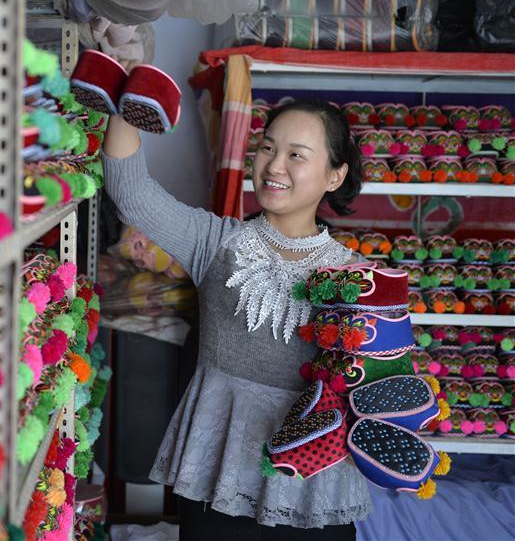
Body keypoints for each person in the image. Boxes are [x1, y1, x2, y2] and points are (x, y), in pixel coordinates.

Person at [103, 98, 370, 540]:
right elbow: (132, 193)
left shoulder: (356, 277)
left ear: (334, 175)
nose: (274, 165)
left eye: (296, 155)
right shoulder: (217, 242)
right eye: (267, 148)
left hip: (313, 480)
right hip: (217, 475)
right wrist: (123, 98)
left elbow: (377, 381)